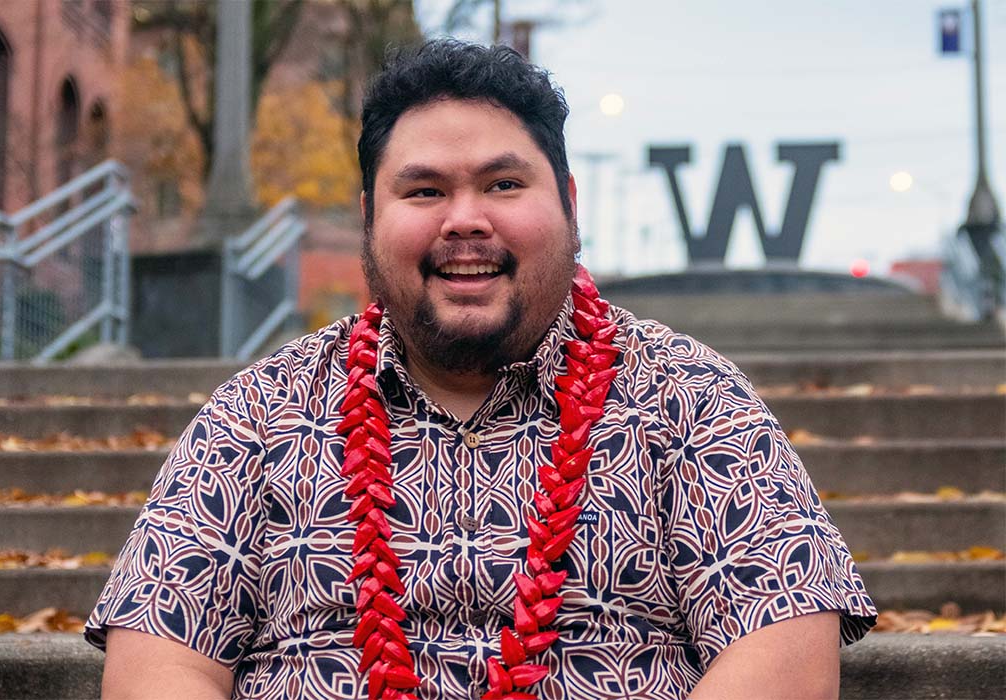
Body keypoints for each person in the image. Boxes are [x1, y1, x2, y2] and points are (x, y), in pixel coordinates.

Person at [86, 39, 876, 700]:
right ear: (369, 217)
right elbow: (161, 659)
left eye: (503, 184)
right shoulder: (256, 414)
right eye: (424, 189)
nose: (465, 219)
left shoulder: (691, 400)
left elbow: (786, 643)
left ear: (568, 203)